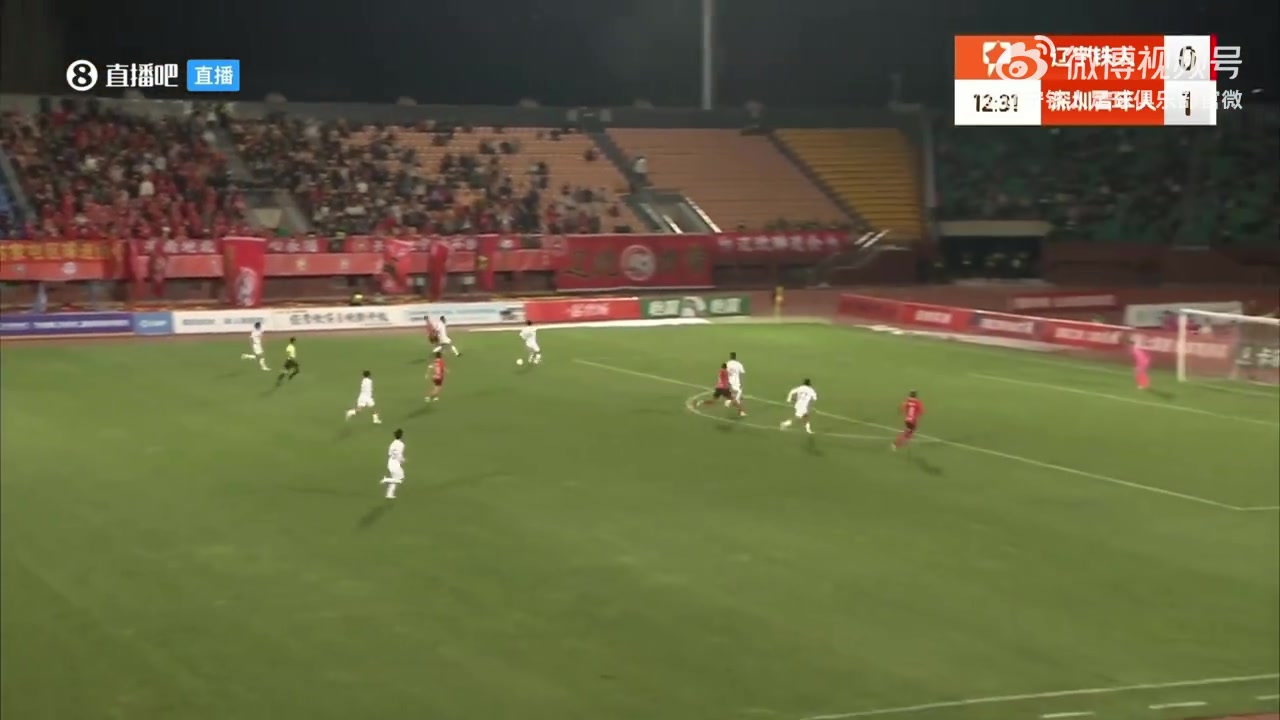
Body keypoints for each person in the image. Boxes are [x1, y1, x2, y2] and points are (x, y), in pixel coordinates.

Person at [380, 429, 406, 499]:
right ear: (401, 436)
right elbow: (399, 454)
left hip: (390, 462)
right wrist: (402, 460)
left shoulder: (392, 443)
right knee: (400, 479)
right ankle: (386, 479)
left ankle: (389, 494)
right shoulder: (401, 444)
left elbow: (389, 453)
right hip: (395, 464)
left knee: (395, 478)